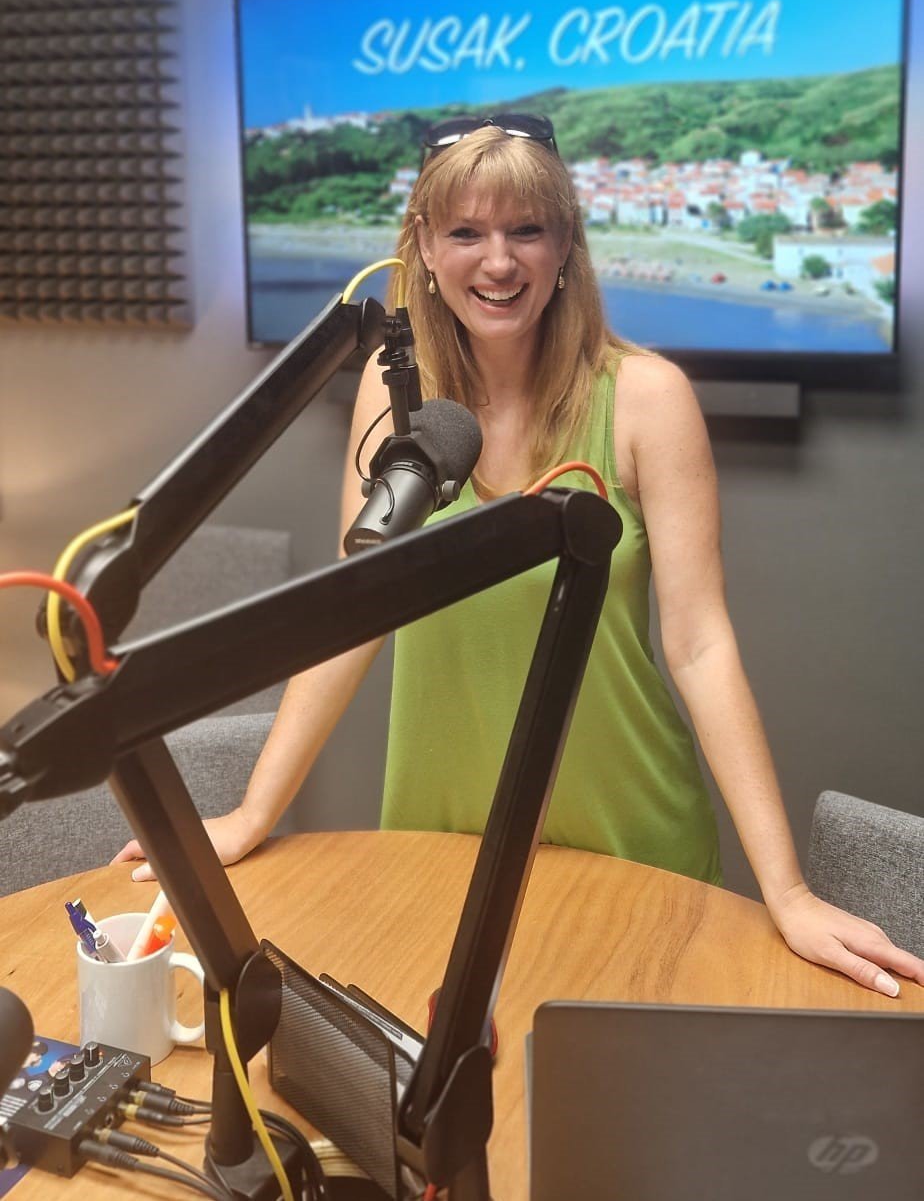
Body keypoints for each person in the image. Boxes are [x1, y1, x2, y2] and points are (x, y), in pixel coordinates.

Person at [114, 114, 924, 997]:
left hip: (628, 835)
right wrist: (252, 812)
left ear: (565, 243)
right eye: (466, 231)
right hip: (443, 836)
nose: (498, 262)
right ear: (425, 247)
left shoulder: (648, 399)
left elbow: (700, 645)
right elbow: (351, 613)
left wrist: (789, 892)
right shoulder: (393, 401)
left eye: (526, 229)